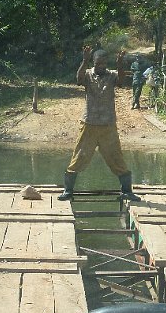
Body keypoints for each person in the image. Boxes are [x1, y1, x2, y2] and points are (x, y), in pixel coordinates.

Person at [58, 46, 141, 202]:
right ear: (94, 62)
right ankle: (68, 191)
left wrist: (120, 63)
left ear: (106, 63)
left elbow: (121, 81)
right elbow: (79, 79)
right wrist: (84, 60)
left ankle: (127, 191)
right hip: (89, 124)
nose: (101, 66)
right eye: (98, 63)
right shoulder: (88, 75)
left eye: (103, 63)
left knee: (116, 157)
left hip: (108, 125)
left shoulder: (112, 75)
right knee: (79, 156)